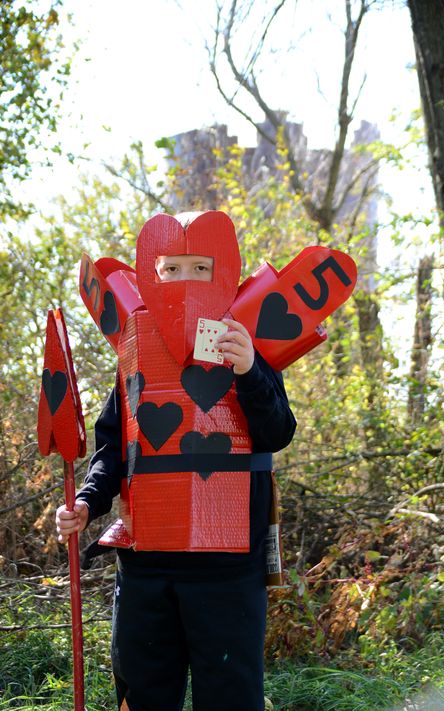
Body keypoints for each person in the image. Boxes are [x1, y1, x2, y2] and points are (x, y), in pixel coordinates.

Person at [56, 211, 297, 711]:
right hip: (147, 566)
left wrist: (250, 369)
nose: (186, 281)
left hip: (229, 569)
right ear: (153, 271)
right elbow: (113, 450)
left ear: (222, 271)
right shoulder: (135, 349)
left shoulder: (248, 344)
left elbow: (277, 433)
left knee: (230, 696)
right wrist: (85, 501)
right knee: (143, 694)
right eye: (172, 268)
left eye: (199, 268)